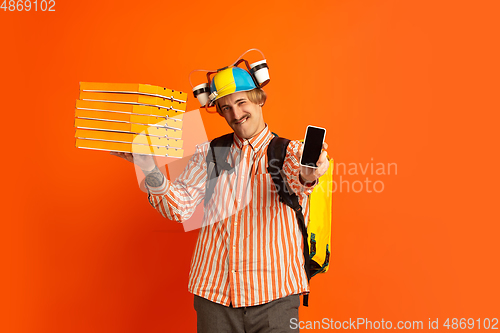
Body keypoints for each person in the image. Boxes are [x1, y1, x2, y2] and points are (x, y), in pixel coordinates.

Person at [111, 66, 329, 332]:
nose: (236, 115)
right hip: (215, 296)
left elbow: (301, 179)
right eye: (226, 108)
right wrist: (148, 168)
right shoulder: (210, 152)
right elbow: (180, 208)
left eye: (241, 102)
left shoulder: (290, 151)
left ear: (259, 98)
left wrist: (309, 173)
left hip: (277, 296)